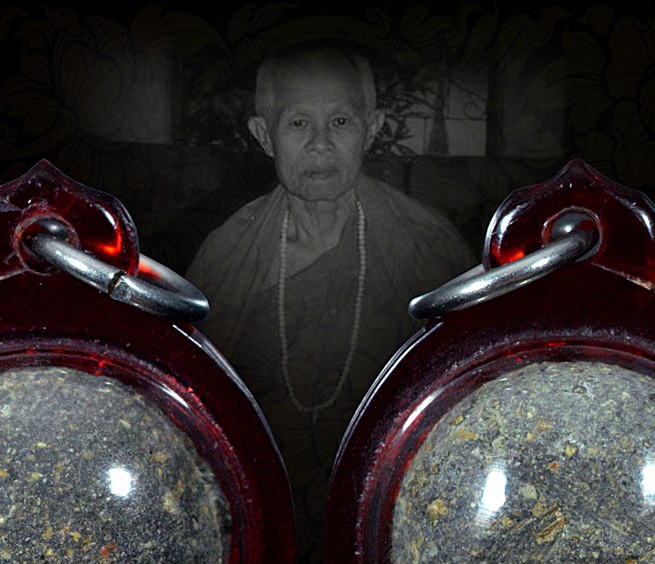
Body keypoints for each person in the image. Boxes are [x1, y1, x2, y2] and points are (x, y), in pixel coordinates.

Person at [188, 43, 474, 531]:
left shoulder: (429, 247)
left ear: (372, 128)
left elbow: (465, 404)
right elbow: (197, 417)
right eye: (298, 123)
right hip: (259, 515)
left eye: (340, 121)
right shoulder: (227, 255)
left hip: (393, 513)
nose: (320, 143)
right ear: (264, 135)